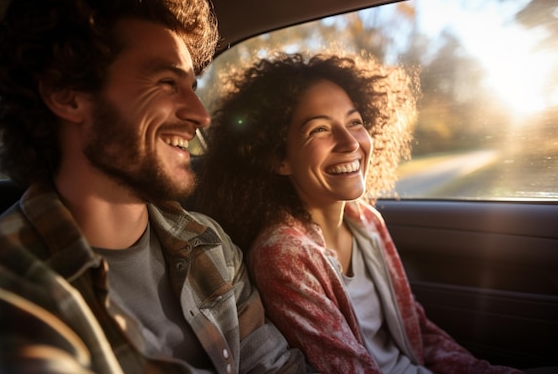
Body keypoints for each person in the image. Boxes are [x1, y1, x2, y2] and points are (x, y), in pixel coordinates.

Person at [0, 0, 310, 373]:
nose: (200, 114)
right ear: (68, 95)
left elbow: (276, 367)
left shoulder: (208, 243)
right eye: (167, 83)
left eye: (192, 86)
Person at [194, 51, 526, 374]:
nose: (350, 142)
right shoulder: (283, 254)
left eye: (354, 122)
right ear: (279, 158)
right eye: (319, 129)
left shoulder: (366, 219)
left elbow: (417, 330)